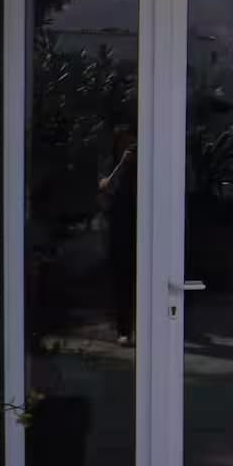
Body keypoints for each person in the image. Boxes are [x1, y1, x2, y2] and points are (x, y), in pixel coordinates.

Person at [98, 125, 138, 345]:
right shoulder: (112, 164)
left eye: (131, 142)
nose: (128, 147)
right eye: (124, 142)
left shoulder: (142, 165)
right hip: (118, 227)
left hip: (140, 226)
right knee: (121, 278)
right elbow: (105, 186)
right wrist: (123, 164)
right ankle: (124, 329)